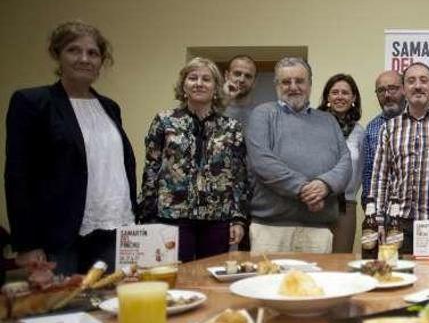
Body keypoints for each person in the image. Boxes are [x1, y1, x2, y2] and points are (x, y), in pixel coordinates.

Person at [5, 20, 137, 274]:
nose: (84, 59)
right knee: (61, 309)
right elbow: (18, 177)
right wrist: (27, 243)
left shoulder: (110, 107)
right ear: (58, 55)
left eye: (93, 53)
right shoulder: (32, 102)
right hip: (59, 238)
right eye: (74, 50)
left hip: (112, 231)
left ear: (102, 61)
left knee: (107, 309)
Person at [138, 57, 248, 262]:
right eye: (192, 78)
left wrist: (238, 219)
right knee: (175, 278)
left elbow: (239, 176)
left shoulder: (231, 127)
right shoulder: (164, 120)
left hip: (217, 217)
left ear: (216, 87)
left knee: (213, 278)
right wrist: (147, 215)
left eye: (206, 79)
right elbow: (151, 169)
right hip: (171, 216)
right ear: (183, 85)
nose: (199, 83)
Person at [246, 57, 351, 253]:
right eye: (286, 82)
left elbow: (345, 163)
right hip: (270, 230)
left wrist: (325, 184)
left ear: (310, 84)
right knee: (267, 284)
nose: (293, 87)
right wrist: (305, 190)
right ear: (277, 85)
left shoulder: (328, 120)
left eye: (300, 81)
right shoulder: (262, 114)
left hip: (319, 230)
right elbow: (262, 162)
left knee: (315, 284)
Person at [371, 62, 429, 253]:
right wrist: (379, 221)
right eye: (411, 81)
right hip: (398, 224)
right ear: (404, 90)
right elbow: (381, 177)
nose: (417, 86)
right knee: (398, 276)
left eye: (424, 81)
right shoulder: (390, 127)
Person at [318, 73, 365, 253]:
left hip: (345, 205)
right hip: (316, 202)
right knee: (314, 260)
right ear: (328, 97)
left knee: (340, 261)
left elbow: (360, 170)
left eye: (345, 93)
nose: (339, 97)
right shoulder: (314, 125)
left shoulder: (360, 133)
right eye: (335, 92)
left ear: (353, 98)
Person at [361, 70, 405, 206]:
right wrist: (369, 205)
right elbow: (368, 171)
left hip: (415, 211)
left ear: (404, 89)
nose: (387, 95)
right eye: (381, 90)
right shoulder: (371, 128)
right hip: (382, 210)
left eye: (392, 89)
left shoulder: (420, 122)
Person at [223, 54, 258, 125]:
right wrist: (225, 100)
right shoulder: (210, 109)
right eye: (237, 74)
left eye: (248, 76)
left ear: (254, 82)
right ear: (226, 76)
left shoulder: (261, 113)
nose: (242, 80)